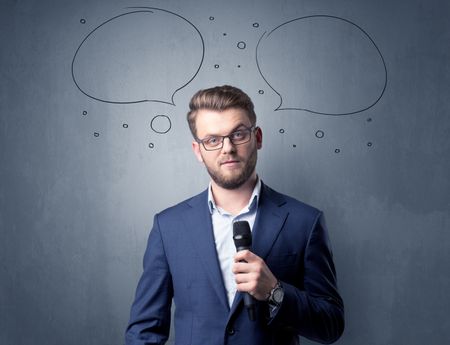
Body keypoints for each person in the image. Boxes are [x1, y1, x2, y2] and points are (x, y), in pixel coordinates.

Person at [125, 85, 344, 345]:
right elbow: (144, 331)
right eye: (213, 140)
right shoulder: (168, 226)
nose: (227, 148)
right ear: (198, 150)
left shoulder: (305, 222)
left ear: (257, 137)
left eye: (238, 134)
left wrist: (275, 292)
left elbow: (331, 324)